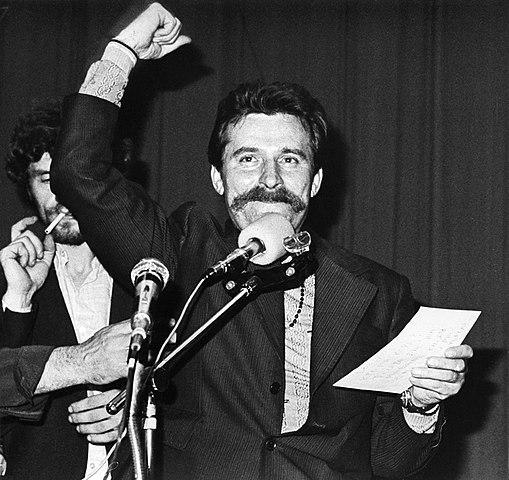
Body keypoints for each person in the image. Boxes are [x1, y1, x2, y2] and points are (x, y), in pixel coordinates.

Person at [51, 3, 474, 479]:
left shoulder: (382, 292)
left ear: (315, 181)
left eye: (290, 160)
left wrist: (420, 405)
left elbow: (390, 463)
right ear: (218, 177)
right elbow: (78, 172)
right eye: (248, 159)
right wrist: (121, 52)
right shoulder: (181, 248)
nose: (270, 180)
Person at [0, 103, 134, 479]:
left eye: (78, 177)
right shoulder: (11, 276)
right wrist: (18, 301)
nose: (65, 194)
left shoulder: (151, 269)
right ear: (28, 189)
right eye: (47, 179)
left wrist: (140, 412)